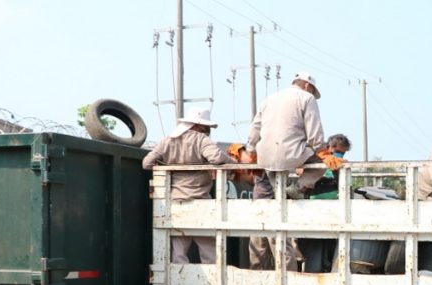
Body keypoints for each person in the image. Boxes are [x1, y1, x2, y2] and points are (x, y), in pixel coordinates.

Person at [247, 72, 341, 269]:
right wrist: (323, 152)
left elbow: (254, 131)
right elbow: (315, 132)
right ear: (308, 87)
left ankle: (259, 272)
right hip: (290, 154)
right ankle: (299, 186)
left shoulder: (268, 99)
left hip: (264, 158)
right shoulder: (306, 98)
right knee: (321, 162)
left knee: (265, 224)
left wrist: (250, 151)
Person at [143, 107, 232, 264]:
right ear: (198, 125)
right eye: (206, 127)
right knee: (209, 250)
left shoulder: (167, 141)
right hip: (200, 203)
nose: (208, 130)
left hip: (176, 203)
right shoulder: (200, 139)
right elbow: (217, 157)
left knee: (178, 251)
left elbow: (147, 163)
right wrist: (234, 164)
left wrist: (163, 164)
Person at [296, 133, 352, 272]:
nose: (339, 156)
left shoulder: (342, 166)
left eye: (342, 153)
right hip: (312, 209)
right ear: (329, 148)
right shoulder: (316, 161)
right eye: (337, 152)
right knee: (309, 244)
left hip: (335, 211)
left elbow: (347, 188)